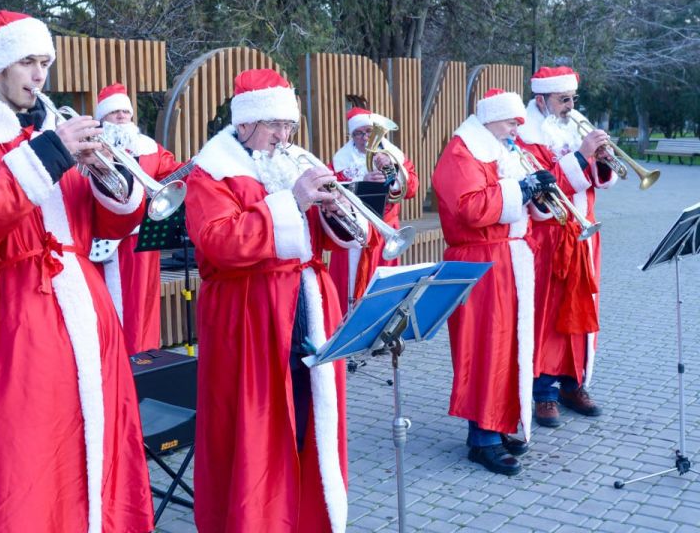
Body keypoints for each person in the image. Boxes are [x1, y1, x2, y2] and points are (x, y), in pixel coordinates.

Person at [0, 10, 153, 533]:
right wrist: (49, 154)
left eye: (44, 62)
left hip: (88, 309)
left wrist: (107, 178)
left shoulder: (57, 127)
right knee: (25, 463)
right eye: (27, 61)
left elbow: (112, 224)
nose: (39, 74)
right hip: (16, 316)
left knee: (100, 448)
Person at [184, 68, 361, 533]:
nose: (284, 137)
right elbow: (219, 242)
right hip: (248, 312)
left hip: (305, 303)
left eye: (289, 126)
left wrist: (334, 211)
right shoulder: (213, 170)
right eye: (274, 126)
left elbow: (323, 239)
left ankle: (304, 518)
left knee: (307, 417)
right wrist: (293, 203)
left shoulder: (295, 160)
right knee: (258, 427)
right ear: (244, 125)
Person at [431, 88, 557, 476]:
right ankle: (482, 438)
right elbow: (470, 208)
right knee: (484, 348)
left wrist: (538, 190)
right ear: (489, 119)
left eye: (519, 122)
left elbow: (521, 203)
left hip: (509, 257)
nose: (516, 129)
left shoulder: (502, 148)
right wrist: (522, 189)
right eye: (510, 122)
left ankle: (498, 425)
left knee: (509, 346)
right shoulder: (461, 151)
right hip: (479, 261)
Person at [517, 66, 615, 428]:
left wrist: (601, 161)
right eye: (563, 99)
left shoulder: (576, 126)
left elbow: (597, 183)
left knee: (582, 310)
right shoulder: (525, 136)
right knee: (548, 316)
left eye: (573, 98)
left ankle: (574, 383)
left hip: (584, 232)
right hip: (549, 237)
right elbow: (547, 186)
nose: (571, 106)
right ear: (541, 100)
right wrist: (581, 155)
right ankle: (543, 391)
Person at [92, 83, 184, 353]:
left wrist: (199, 166)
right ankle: (117, 361)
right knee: (112, 307)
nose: (121, 116)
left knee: (143, 306)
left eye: (125, 111)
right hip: (106, 244)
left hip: (142, 242)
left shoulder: (149, 148)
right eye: (114, 112)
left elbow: (174, 173)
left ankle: (144, 359)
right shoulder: (92, 150)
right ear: (102, 118)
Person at [328, 107, 419, 314]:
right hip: (353, 232)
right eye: (358, 133)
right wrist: (363, 183)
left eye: (369, 131)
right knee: (347, 285)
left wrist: (393, 169)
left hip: (385, 230)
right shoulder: (340, 162)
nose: (365, 137)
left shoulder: (393, 155)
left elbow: (411, 189)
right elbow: (333, 192)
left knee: (384, 284)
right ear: (351, 136)